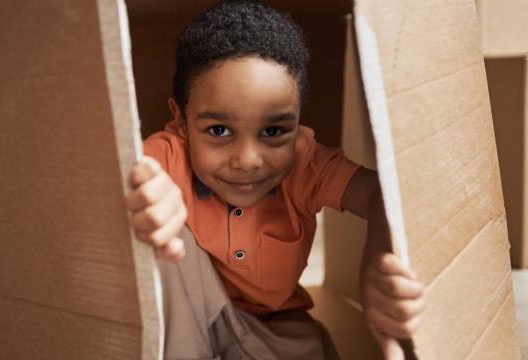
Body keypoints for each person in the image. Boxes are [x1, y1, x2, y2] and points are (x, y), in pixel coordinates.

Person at [124, 1, 425, 359]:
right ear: (182, 120)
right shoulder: (168, 155)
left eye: (273, 130)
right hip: (192, 326)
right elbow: (124, 176)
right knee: (161, 230)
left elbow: (382, 194)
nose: (249, 160)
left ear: (297, 120)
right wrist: (147, 198)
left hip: (277, 327)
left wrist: (377, 262)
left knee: (313, 347)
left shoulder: (305, 162)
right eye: (219, 130)